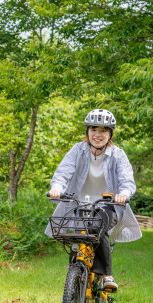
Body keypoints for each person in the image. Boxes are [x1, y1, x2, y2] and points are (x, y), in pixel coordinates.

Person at [45, 109, 142, 291]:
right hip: (78, 204)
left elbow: (127, 181)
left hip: (108, 206)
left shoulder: (118, 155)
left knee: (97, 228)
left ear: (110, 134)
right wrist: (57, 188)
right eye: (94, 129)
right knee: (76, 239)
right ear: (87, 132)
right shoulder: (77, 150)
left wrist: (123, 194)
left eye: (103, 130)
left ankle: (106, 275)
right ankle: (76, 276)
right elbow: (63, 172)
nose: (98, 135)